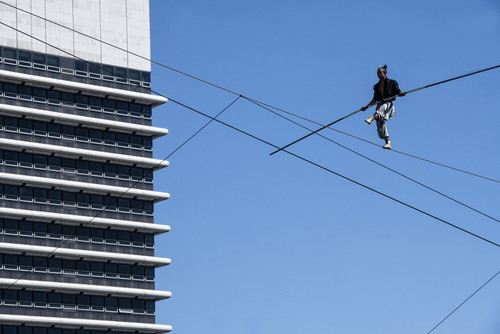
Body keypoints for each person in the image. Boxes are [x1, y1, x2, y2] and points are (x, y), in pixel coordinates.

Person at [361, 65, 406, 150]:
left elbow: (398, 91)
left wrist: (401, 93)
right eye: (377, 73)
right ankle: (387, 142)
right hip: (380, 105)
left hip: (388, 105)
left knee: (381, 110)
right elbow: (374, 99)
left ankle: (372, 117)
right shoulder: (376, 86)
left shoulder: (392, 82)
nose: (379, 74)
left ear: (385, 73)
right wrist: (366, 107)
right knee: (380, 124)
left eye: (380, 73)